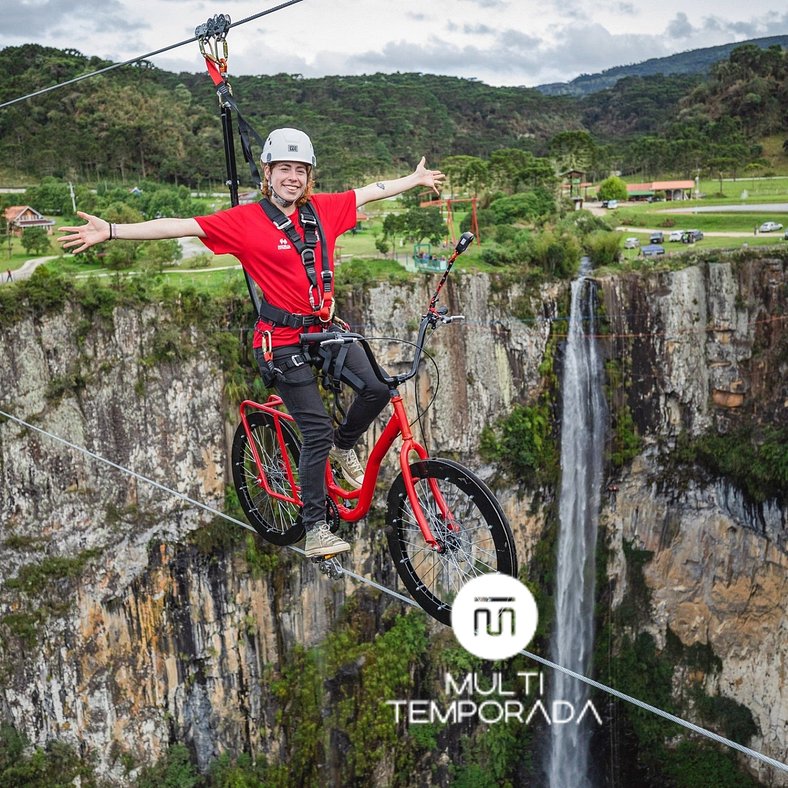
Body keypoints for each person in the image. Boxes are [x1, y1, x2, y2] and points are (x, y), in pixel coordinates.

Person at [59, 127, 445, 560]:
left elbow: (370, 191)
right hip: (281, 340)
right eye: (284, 169)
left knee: (378, 387)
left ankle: (343, 446)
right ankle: (316, 527)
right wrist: (111, 230)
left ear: (309, 176)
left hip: (323, 327)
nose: (293, 177)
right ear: (268, 173)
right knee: (314, 427)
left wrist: (412, 181)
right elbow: (178, 227)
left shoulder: (324, 210)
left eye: (300, 170)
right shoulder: (245, 221)